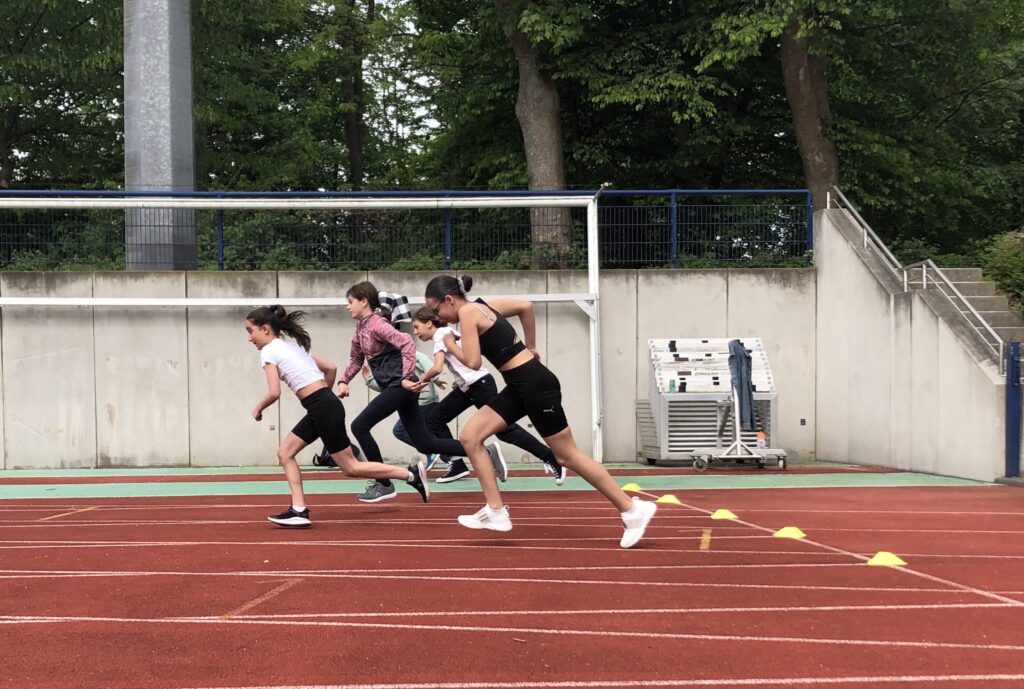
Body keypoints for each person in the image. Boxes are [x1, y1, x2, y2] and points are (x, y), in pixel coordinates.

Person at [423, 275, 657, 548]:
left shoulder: (466, 313)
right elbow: (525, 305)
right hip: (519, 385)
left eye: (437, 310)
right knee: (470, 436)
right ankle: (496, 511)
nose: (440, 317)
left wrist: (451, 344)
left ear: (449, 300)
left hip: (534, 385)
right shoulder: (485, 306)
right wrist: (531, 346)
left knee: (567, 455)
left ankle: (631, 509)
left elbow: (473, 363)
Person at [245, 305, 429, 527]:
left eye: (250, 331)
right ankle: (298, 509)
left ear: (265, 329)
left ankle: (410, 475)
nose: (249, 338)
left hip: (321, 406)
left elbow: (274, 392)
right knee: (285, 452)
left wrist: (258, 408)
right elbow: (330, 368)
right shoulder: (293, 347)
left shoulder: (268, 352)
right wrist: (325, 396)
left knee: (350, 467)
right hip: (322, 405)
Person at [337, 282, 504, 503]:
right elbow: (356, 359)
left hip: (401, 387)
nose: (348, 307)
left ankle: (383, 483)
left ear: (364, 301)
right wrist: (343, 380)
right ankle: (487, 452)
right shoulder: (360, 330)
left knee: (359, 426)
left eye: (350, 302)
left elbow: (406, 342)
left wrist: (406, 377)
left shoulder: (377, 324)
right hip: (398, 388)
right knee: (426, 443)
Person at [411, 306, 566, 485]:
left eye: (416, 327)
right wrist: (460, 378)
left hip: (479, 386)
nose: (415, 332)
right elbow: (464, 356)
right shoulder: (449, 331)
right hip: (470, 386)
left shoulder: (440, 336)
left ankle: (550, 457)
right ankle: (457, 464)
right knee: (435, 419)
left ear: (429, 323)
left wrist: (421, 379)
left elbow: (437, 367)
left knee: (504, 431)